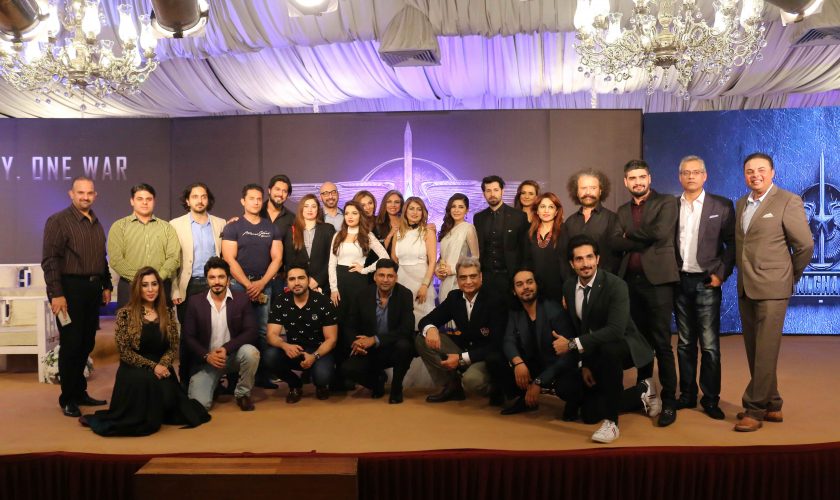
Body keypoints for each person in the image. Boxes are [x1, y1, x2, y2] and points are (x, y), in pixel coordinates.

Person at [733, 152, 813, 432]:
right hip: (746, 286)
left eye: (761, 170)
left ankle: (754, 408)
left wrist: (789, 276)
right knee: (756, 349)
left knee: (766, 349)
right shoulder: (741, 203)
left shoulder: (788, 201)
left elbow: (805, 245)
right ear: (745, 175)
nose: (755, 175)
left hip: (773, 287)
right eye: (749, 171)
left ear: (772, 173)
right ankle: (773, 404)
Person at [80, 267, 210, 436]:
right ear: (138, 288)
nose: (150, 289)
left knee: (172, 403)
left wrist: (162, 365)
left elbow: (172, 347)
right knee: (146, 386)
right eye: (145, 285)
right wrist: (153, 367)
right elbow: (125, 352)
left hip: (162, 366)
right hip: (133, 367)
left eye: (154, 284)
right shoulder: (125, 314)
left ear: (159, 287)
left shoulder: (167, 312)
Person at [554, 235, 658, 443]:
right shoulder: (568, 287)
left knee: (609, 350)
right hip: (595, 349)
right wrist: (584, 364)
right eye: (579, 259)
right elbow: (579, 328)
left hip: (626, 345)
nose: (585, 264)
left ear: (598, 259)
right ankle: (641, 391)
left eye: (589, 257)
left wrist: (572, 345)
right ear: (572, 264)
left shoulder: (616, 285)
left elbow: (616, 331)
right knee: (588, 413)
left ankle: (612, 424)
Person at [42, 176, 113, 417]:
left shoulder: (96, 222)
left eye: (89, 193)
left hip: (92, 291)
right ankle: (68, 398)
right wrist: (57, 294)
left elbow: (101, 258)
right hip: (69, 291)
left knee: (86, 343)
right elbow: (50, 261)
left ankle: (80, 392)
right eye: (80, 192)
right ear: (71, 194)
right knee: (71, 345)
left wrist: (106, 285)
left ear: (95, 195)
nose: (85, 197)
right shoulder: (58, 221)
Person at [616, 160, 680, 427]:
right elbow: (615, 241)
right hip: (630, 283)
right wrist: (634, 237)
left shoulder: (666, 202)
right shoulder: (622, 210)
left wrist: (628, 235)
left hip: (659, 283)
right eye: (632, 178)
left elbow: (660, 231)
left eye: (642, 177)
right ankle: (646, 395)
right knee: (639, 344)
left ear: (649, 178)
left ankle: (669, 401)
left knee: (662, 343)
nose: (638, 182)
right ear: (625, 182)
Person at [673, 156, 735, 420]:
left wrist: (721, 275)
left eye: (696, 172)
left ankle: (710, 399)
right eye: (686, 172)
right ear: (680, 176)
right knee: (685, 343)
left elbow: (732, 244)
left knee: (709, 345)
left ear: (705, 176)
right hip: (680, 281)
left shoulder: (721, 205)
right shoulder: (671, 206)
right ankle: (687, 395)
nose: (691, 176)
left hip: (707, 282)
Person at [416, 257, 508, 405]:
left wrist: (460, 358)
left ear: (481, 277)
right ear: (457, 280)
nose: (468, 282)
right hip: (464, 347)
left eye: (473, 276)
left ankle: (498, 389)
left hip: (485, 355)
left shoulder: (494, 299)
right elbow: (425, 321)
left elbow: (496, 344)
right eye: (463, 277)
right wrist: (431, 328)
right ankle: (452, 386)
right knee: (422, 339)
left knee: (472, 381)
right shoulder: (454, 297)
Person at [221, 183, 283, 388]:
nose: (256, 202)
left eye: (258, 199)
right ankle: (234, 379)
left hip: (264, 285)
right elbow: (229, 259)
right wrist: (249, 285)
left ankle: (263, 376)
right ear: (243, 201)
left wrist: (261, 283)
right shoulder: (233, 227)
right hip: (239, 286)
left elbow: (277, 259)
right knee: (236, 329)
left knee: (263, 331)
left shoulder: (271, 227)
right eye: (251, 198)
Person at [182, 257, 260, 411]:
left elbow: (251, 331)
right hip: (208, 360)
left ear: (228, 279)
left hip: (233, 356)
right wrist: (207, 356)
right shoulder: (195, 302)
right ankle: (214, 386)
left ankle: (242, 394)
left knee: (251, 353)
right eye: (212, 277)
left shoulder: (241, 299)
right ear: (207, 280)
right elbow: (188, 337)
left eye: (221, 277)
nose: (217, 281)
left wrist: (226, 348)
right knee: (200, 406)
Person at [328, 200, 389, 388]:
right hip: (339, 286)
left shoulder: (367, 235)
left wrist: (365, 269)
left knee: (356, 326)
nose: (350, 216)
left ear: (360, 215)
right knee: (339, 327)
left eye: (354, 213)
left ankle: (361, 373)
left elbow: (385, 258)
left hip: (358, 284)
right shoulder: (338, 235)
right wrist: (333, 288)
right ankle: (341, 377)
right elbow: (331, 264)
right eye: (347, 213)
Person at [500, 269, 577, 417]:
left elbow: (569, 356)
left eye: (529, 282)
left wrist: (539, 382)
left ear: (537, 285)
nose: (526, 287)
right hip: (534, 362)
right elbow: (508, 340)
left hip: (557, 366)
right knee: (499, 360)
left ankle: (575, 402)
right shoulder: (515, 311)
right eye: (519, 284)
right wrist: (518, 363)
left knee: (566, 387)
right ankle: (525, 398)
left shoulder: (553, 310)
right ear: (514, 291)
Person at [341, 260, 415, 404]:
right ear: (375, 276)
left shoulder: (405, 294)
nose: (385, 280)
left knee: (405, 346)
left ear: (396, 278)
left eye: (390, 276)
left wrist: (374, 339)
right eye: (381, 275)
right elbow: (349, 325)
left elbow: (407, 329)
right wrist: (356, 342)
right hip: (368, 350)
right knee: (347, 369)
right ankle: (377, 383)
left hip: (393, 347)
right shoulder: (362, 294)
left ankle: (396, 388)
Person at [264, 265, 339, 402]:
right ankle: (295, 384)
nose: (297, 282)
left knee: (322, 376)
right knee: (269, 356)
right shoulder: (281, 301)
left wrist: (314, 356)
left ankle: (321, 385)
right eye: (292, 279)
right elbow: (271, 335)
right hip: (294, 350)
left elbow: (331, 339)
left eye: (301, 278)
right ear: (287, 282)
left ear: (308, 280)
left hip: (319, 350)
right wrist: (285, 346)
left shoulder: (323, 301)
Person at [108, 183, 180, 308]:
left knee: (161, 321)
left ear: (154, 201)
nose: (145, 203)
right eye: (140, 199)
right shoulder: (119, 227)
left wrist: (157, 279)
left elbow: (174, 258)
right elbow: (115, 259)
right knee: (129, 321)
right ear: (132, 201)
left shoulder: (167, 228)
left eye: (149, 199)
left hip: (161, 286)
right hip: (130, 286)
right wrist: (140, 280)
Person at [170, 182, 226, 323]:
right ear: (187, 201)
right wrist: (175, 289)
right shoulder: (175, 224)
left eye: (203, 197)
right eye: (195, 197)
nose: (200, 201)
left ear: (208, 200)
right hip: (188, 284)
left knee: (215, 326)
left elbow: (225, 256)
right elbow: (172, 259)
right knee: (188, 328)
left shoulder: (221, 223)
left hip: (214, 282)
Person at [562, 168, 624, 277]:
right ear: (577, 192)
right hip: (576, 282)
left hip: (605, 281)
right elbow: (566, 257)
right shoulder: (569, 222)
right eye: (583, 188)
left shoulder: (612, 218)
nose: (588, 192)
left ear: (600, 191)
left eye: (593, 188)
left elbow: (616, 258)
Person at [473, 175, 528, 296]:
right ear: (484, 194)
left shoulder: (519, 216)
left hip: (511, 277)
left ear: (502, 191)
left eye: (496, 190)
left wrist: (521, 278)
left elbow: (525, 250)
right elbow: (479, 249)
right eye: (488, 191)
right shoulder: (478, 218)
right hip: (486, 279)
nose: (492, 194)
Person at [392, 197, 436, 329]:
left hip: (421, 282)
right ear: (405, 211)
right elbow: (394, 259)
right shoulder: (398, 233)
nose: (415, 212)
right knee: (402, 322)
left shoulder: (428, 232)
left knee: (423, 323)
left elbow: (432, 261)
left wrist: (425, 285)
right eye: (411, 208)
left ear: (423, 212)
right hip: (401, 282)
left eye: (419, 209)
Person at [283, 194, 336, 295]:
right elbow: (289, 261)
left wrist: (318, 281)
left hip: (323, 285)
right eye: (306, 206)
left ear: (318, 209)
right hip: (299, 285)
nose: (310, 209)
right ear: (301, 209)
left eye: (313, 206)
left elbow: (332, 259)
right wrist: (303, 282)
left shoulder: (328, 229)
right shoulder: (292, 231)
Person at [523, 192, 567, 301]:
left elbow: (567, 265)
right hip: (534, 291)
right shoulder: (530, 233)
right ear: (537, 211)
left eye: (551, 207)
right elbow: (526, 263)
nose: (546, 211)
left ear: (556, 211)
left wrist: (567, 292)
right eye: (542, 206)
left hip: (558, 291)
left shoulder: (564, 231)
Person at [436, 193, 480, 300]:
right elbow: (442, 257)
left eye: (461, 207)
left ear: (467, 210)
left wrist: (453, 270)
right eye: (453, 206)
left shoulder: (468, 228)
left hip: (460, 280)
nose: (456, 210)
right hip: (445, 280)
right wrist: (437, 269)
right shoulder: (447, 229)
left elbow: (476, 258)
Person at [260, 174, 295, 240]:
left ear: (287, 195)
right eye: (277, 189)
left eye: (284, 191)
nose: (280, 194)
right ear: (269, 190)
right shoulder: (256, 212)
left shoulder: (292, 218)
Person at [374, 190, 404, 254]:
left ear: (401, 205)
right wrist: (390, 234)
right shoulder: (376, 223)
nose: (393, 205)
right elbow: (376, 253)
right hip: (385, 259)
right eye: (389, 202)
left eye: (397, 202)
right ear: (384, 204)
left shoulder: (407, 222)